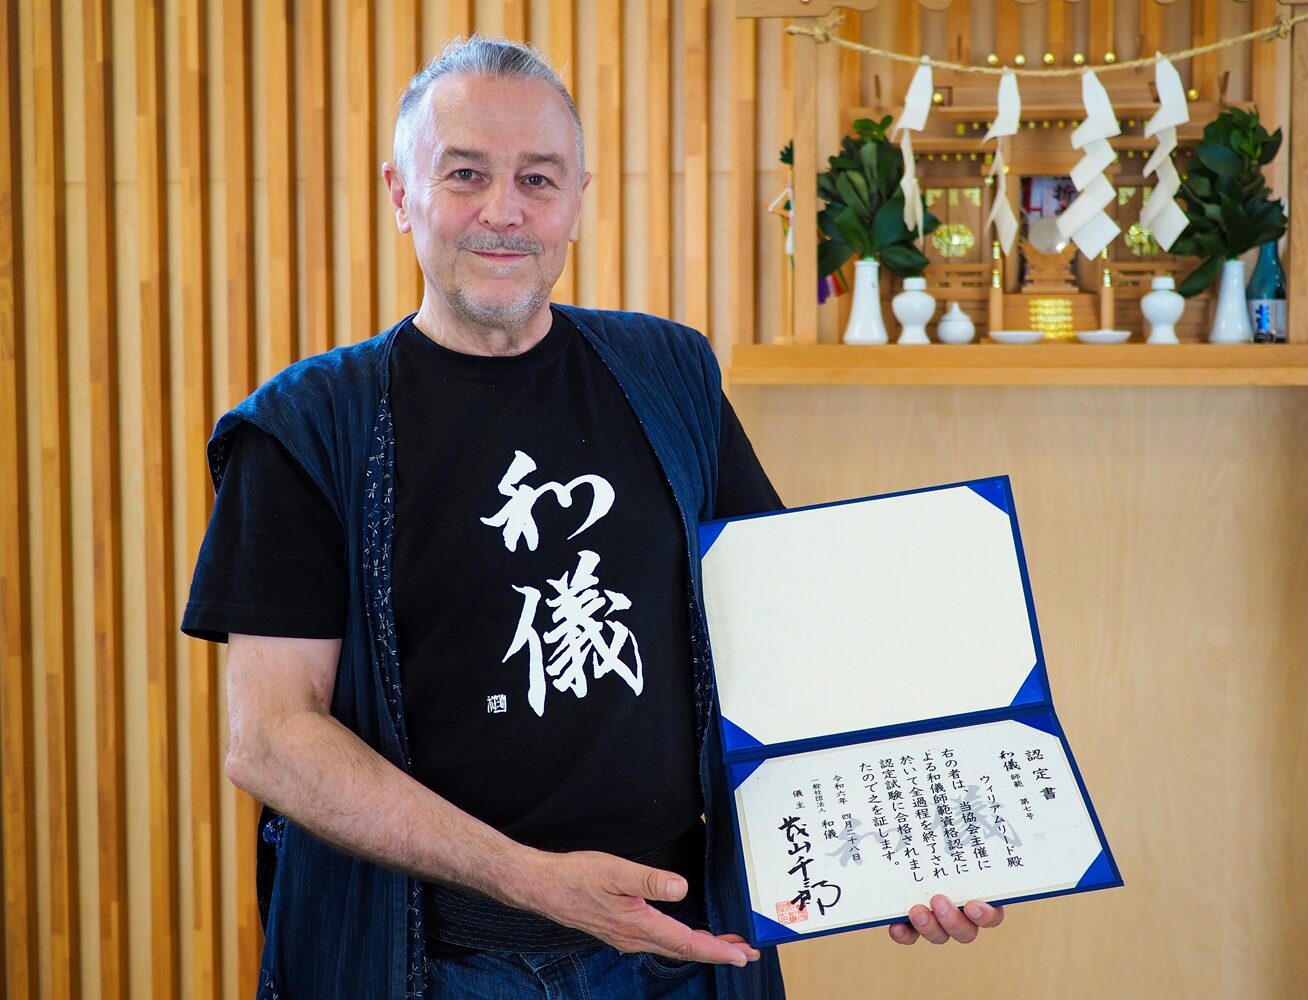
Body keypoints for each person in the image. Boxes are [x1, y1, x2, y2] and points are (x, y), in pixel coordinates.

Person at [182, 35, 1003, 1000]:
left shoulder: (671, 376)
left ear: (577, 198)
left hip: (680, 951)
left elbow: (786, 636)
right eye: (464, 175)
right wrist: (535, 883)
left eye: (538, 178)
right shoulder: (307, 427)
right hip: (440, 965)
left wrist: (895, 849)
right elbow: (271, 736)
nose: (504, 211)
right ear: (402, 194)